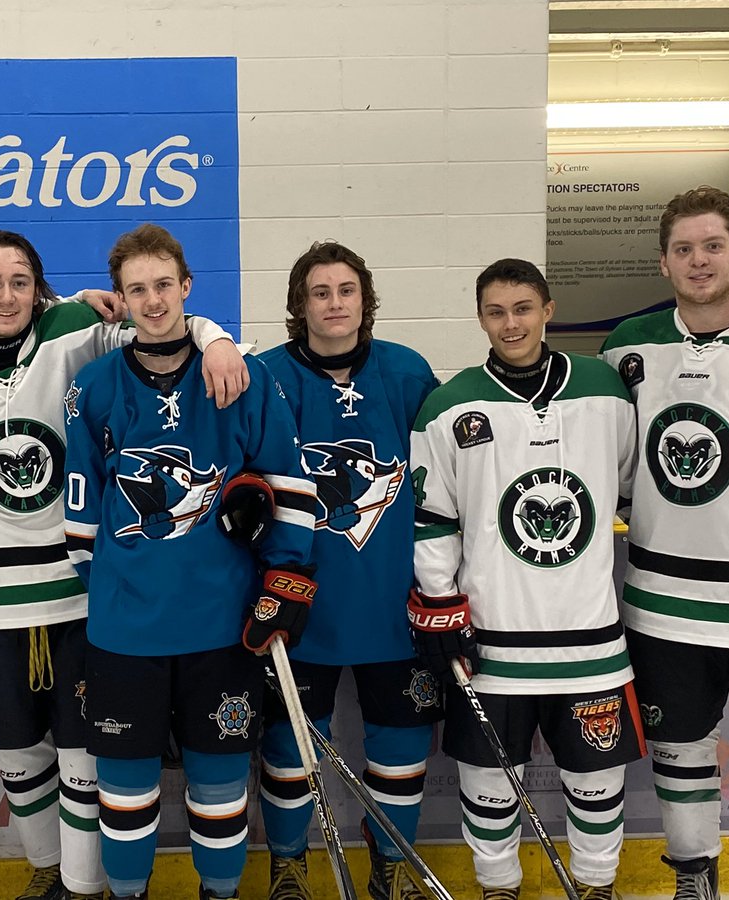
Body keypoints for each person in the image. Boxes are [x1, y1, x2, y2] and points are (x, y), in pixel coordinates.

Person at [0, 229, 247, 900]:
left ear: (40, 289)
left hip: (79, 599)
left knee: (81, 757)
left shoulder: (74, 331)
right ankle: (49, 870)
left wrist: (216, 336)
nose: (6, 294)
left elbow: (161, 329)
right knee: (16, 754)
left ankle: (82, 885)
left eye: (20, 281)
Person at [62, 223, 316, 900]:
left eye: (164, 285)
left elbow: (288, 484)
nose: (153, 300)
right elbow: (81, 521)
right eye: (137, 289)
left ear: (187, 289)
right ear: (120, 296)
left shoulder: (242, 377)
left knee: (219, 788)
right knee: (125, 792)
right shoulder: (93, 387)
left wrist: (284, 580)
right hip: (125, 635)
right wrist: (126, 587)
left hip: (221, 627)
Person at [409, 258, 642, 900]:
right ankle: (498, 888)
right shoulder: (448, 404)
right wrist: (441, 605)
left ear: (548, 309)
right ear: (480, 318)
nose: (511, 324)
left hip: (590, 643)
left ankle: (596, 886)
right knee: (489, 790)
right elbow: (432, 520)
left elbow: (628, 490)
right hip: (491, 648)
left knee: (596, 788)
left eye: (522, 308)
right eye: (495, 312)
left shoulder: (604, 390)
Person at [600, 186, 729, 900]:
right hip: (667, 602)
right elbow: (614, 465)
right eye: (683, 249)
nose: (699, 260)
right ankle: (694, 878)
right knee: (680, 752)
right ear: (663, 263)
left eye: (713, 245)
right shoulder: (627, 346)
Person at [254, 241, 441, 900]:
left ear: (366, 300)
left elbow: (444, 481)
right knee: (290, 743)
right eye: (320, 292)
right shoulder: (264, 375)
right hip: (298, 601)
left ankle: (392, 864)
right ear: (298, 306)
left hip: (393, 598)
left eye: (346, 291)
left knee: (402, 738)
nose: (335, 304)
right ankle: (288, 864)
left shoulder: (407, 371)